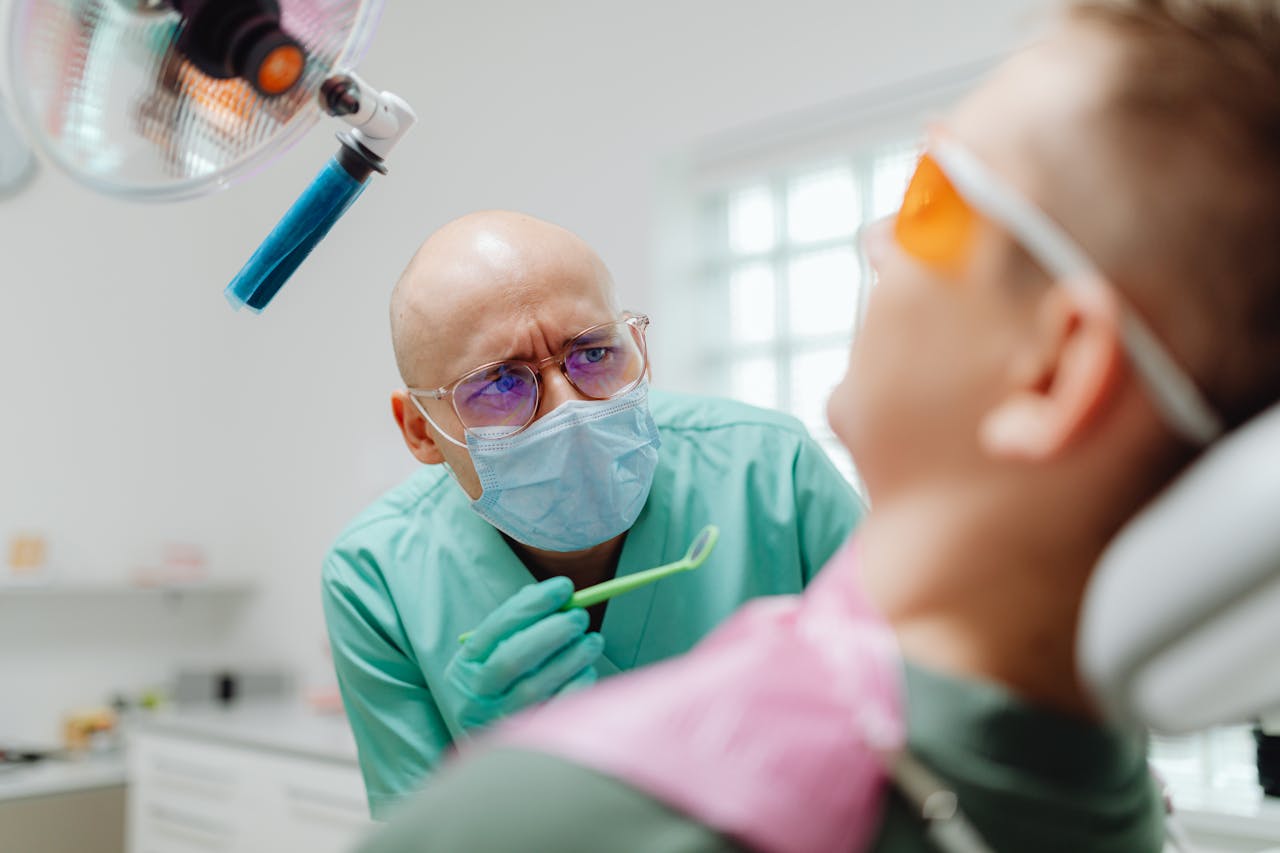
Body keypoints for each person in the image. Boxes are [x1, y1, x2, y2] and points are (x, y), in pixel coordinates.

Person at [352, 0, 1280, 850]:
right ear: (421, 429)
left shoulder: (549, 815)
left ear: (1054, 370)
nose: (878, 236)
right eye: (503, 383)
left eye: (933, 197)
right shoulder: (1094, 787)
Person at [322, 210, 861, 817]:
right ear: (421, 430)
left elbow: (925, 725)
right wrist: (493, 783)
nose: (568, 412)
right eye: (500, 382)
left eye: (594, 352)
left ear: (638, 347)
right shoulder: (377, 576)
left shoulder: (772, 472)